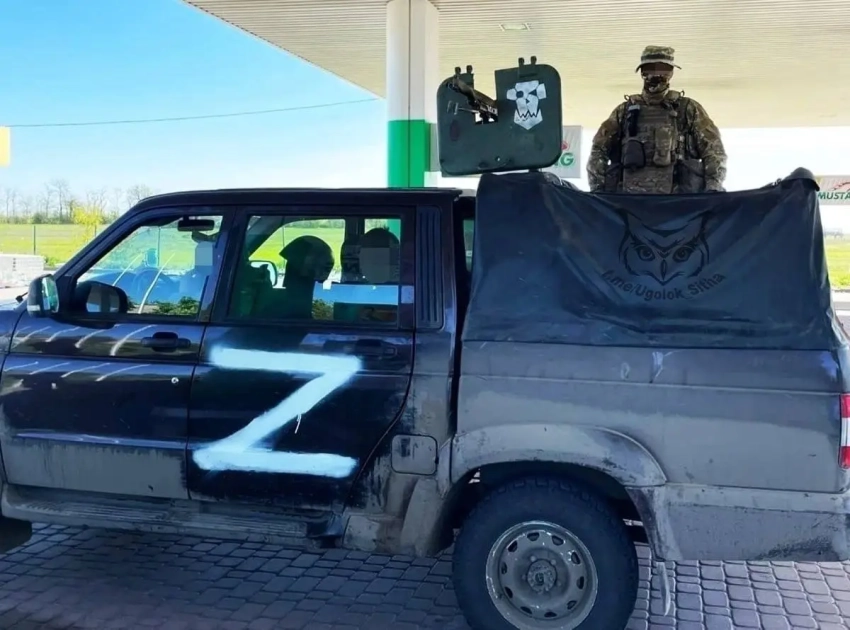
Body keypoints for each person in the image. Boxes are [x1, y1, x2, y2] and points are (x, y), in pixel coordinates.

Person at [587, 45, 727, 194]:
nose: (656, 75)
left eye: (663, 70)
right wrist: (598, 191)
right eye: (650, 69)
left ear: (671, 73)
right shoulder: (624, 111)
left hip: (680, 199)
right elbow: (598, 149)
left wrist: (713, 188)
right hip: (629, 200)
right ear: (642, 73)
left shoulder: (688, 109)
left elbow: (713, 149)